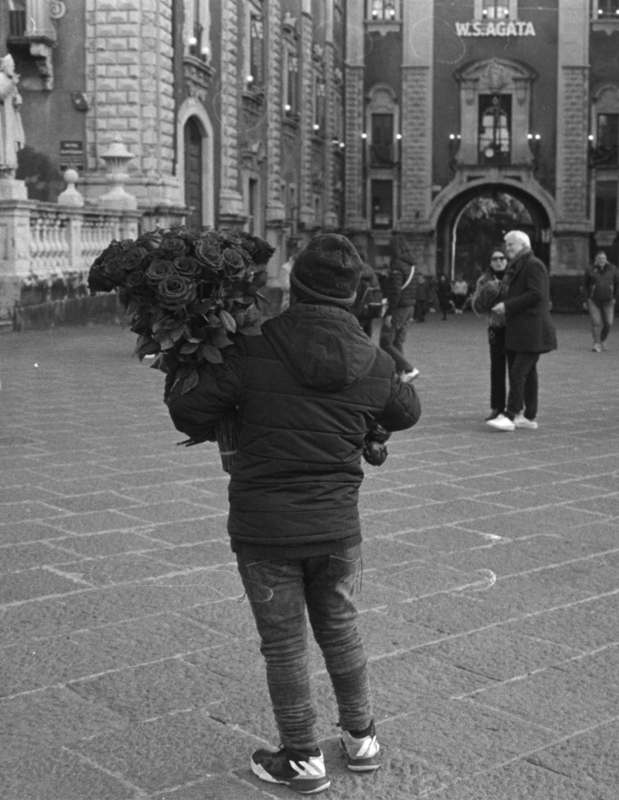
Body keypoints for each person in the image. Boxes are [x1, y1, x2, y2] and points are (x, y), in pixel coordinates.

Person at [165, 234, 421, 795]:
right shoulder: (375, 361)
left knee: (284, 645)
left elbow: (188, 412)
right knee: (341, 629)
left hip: (266, 528)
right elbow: (406, 410)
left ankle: (302, 756)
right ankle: (362, 739)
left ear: (294, 285)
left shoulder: (250, 346)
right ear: (353, 295)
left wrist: (185, 362)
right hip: (337, 529)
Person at [486, 230, 557, 432]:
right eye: (507, 244)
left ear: (523, 245)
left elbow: (536, 294)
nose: (507, 248)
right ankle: (528, 416)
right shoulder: (519, 265)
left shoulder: (533, 265)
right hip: (524, 330)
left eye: (511, 245)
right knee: (529, 373)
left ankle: (510, 415)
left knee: (518, 372)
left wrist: (507, 306)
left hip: (532, 330)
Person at [472, 249, 509, 421]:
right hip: (496, 327)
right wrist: (489, 290)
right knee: (497, 369)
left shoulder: (514, 277)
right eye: (495, 259)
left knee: (516, 370)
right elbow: (477, 307)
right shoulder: (484, 280)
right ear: (490, 262)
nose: (499, 261)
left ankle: (516, 408)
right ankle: (497, 407)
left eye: (502, 258)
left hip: (515, 328)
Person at [380, 234, 419, 382]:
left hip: (399, 308)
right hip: (410, 307)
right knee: (397, 342)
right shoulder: (412, 265)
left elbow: (396, 291)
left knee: (385, 341)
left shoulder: (397, 266)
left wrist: (389, 312)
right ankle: (398, 375)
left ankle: (409, 369)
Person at [0, 54, 25, 178]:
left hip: (10, 117)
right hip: (1, 118)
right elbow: (0, 96)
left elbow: (13, 99)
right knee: (2, 143)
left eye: (13, 66)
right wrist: (12, 84)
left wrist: (17, 101)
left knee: (10, 144)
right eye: (11, 66)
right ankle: (1, 168)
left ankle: (9, 169)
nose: (13, 68)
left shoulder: (10, 80)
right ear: (4, 66)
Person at [582, 249, 619, 352]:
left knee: (608, 323)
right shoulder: (590, 269)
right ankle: (596, 343)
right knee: (596, 322)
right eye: (599, 258)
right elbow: (584, 285)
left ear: (606, 259)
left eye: (603, 258)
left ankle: (602, 339)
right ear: (596, 259)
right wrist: (586, 299)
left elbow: (618, 283)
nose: (601, 260)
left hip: (609, 301)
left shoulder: (613, 269)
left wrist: (615, 298)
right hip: (594, 301)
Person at [351, 258, 385, 344]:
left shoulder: (356, 272)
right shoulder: (372, 273)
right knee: (367, 328)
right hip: (370, 306)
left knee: (356, 330)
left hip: (357, 307)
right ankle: (368, 346)